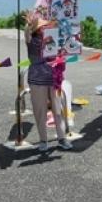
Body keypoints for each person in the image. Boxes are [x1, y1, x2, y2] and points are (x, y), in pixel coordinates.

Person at [24, 11, 73, 152]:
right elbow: (26, 34)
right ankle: (43, 140)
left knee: (58, 110)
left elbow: (67, 44)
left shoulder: (54, 39)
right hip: (37, 80)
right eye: (41, 26)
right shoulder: (31, 41)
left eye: (44, 26)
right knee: (40, 111)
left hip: (53, 79)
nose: (43, 28)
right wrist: (28, 25)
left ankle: (62, 138)